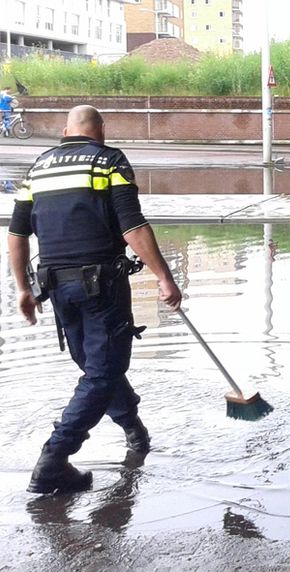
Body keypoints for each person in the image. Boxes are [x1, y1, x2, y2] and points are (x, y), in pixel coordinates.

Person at [7, 105, 182, 494]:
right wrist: (164, 277)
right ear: (100, 129)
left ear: (65, 130)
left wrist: (22, 288)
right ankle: (54, 459)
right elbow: (132, 225)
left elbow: (17, 234)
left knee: (96, 367)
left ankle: (134, 431)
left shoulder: (37, 169)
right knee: (102, 372)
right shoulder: (109, 162)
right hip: (101, 286)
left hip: (55, 287)